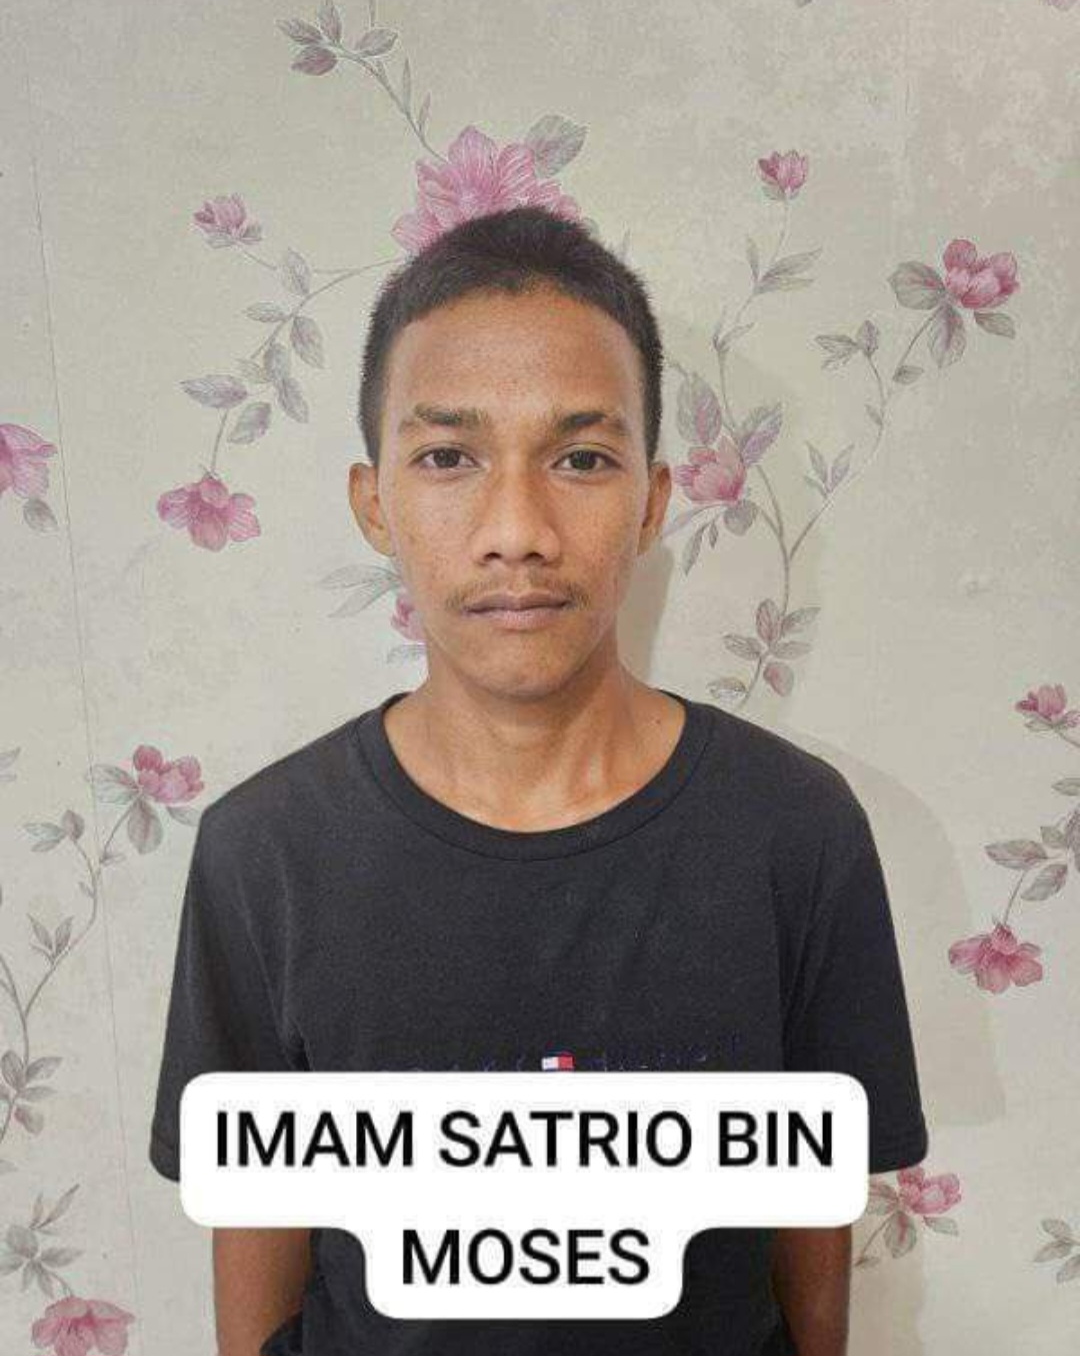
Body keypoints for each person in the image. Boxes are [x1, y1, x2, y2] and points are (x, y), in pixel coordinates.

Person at [148, 204, 929, 1356]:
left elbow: (812, 1202)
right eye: (448, 458)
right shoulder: (265, 854)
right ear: (375, 503)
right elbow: (258, 1227)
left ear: (652, 501)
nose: (516, 530)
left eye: (581, 459)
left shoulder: (793, 831)